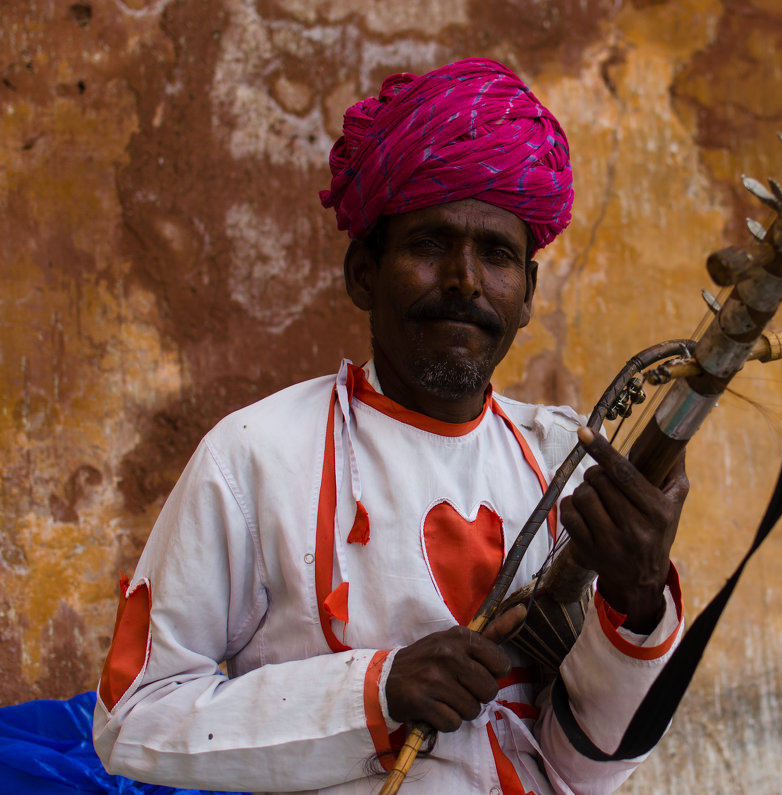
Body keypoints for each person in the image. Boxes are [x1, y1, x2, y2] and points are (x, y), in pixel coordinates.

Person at [92, 58, 688, 795]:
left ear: (528, 294)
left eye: (497, 254)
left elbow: (582, 769)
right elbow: (133, 719)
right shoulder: (255, 456)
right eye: (431, 243)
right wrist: (375, 693)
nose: (466, 280)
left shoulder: (561, 459)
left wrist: (637, 603)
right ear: (363, 274)